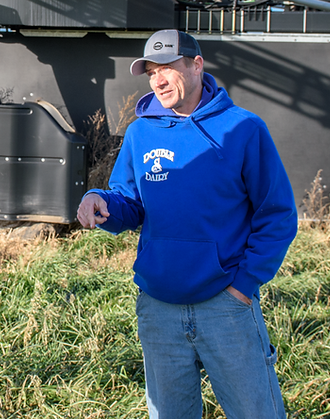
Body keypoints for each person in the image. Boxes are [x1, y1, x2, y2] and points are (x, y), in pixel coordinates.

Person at [77, 29, 298, 419]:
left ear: (197, 65)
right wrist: (99, 201)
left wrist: (243, 287)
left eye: (167, 68)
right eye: (150, 72)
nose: (158, 80)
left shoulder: (243, 129)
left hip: (225, 305)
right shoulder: (140, 132)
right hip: (159, 307)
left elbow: (277, 214)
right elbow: (129, 203)